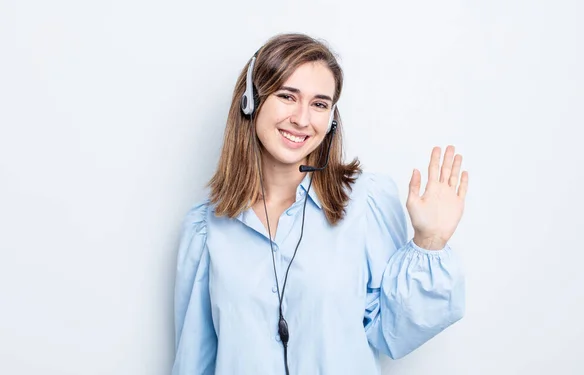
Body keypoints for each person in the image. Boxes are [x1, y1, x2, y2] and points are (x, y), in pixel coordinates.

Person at [171, 33, 468, 375]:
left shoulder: (364, 203)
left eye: (319, 104)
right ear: (250, 102)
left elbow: (393, 333)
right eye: (287, 96)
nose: (301, 119)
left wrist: (429, 243)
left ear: (332, 120)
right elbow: (194, 361)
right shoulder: (206, 228)